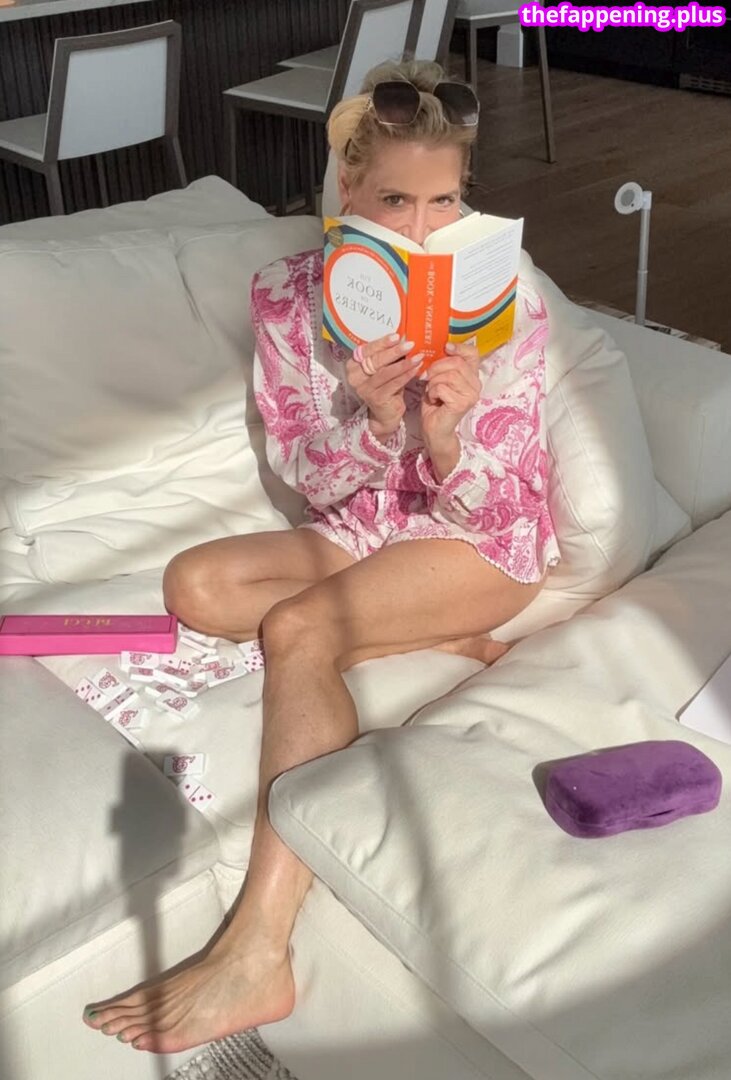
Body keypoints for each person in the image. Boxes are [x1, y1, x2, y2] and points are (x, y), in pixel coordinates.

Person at [82, 58, 561, 1054]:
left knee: (297, 628)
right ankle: (426, 634)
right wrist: (374, 418)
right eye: (394, 201)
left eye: (443, 202)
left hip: (478, 536)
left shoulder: (502, 295)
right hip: (362, 531)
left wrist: (445, 440)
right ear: (347, 189)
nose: (419, 230)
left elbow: (506, 497)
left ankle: (258, 947)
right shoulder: (287, 298)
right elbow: (309, 477)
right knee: (195, 583)